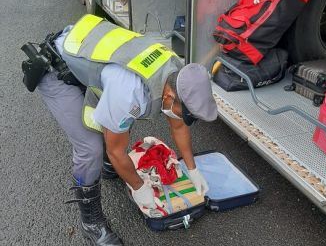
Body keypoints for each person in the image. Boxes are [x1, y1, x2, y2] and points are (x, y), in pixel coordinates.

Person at [33, 14, 218, 246]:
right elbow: (116, 151)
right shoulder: (129, 93)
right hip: (55, 67)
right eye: (186, 113)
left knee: (119, 120)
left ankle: (112, 171)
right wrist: (140, 188)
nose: (184, 118)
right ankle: (91, 223)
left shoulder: (176, 71)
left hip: (87, 53)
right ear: (170, 96)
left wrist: (192, 168)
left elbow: (178, 124)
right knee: (90, 148)